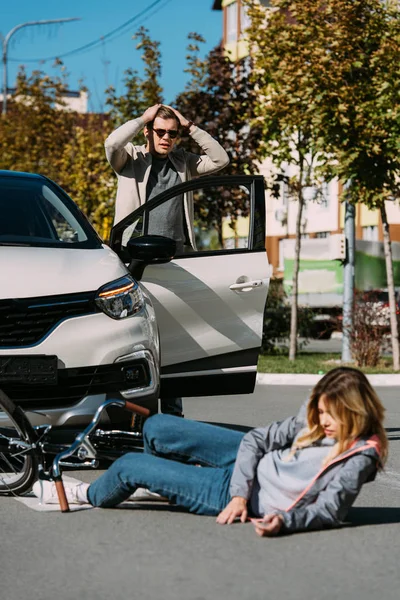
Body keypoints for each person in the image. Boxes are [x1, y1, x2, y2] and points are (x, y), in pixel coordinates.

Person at [33, 367, 388, 536]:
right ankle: (164, 484)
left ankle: (90, 493)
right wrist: (240, 485)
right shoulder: (314, 415)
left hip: (245, 497)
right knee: (157, 426)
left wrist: (282, 520)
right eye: (321, 411)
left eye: (332, 416)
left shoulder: (358, 457)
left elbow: (329, 510)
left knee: (128, 467)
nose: (322, 420)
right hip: (246, 465)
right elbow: (256, 440)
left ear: (355, 413)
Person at [105, 103, 229, 416]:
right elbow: (111, 144)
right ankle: (128, 416)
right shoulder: (131, 159)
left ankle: (173, 416)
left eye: (172, 134)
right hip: (133, 262)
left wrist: (190, 127)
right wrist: (142, 119)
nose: (166, 138)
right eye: (159, 131)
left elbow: (221, 159)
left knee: (172, 342)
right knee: (130, 338)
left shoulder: (184, 162)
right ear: (149, 131)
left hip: (174, 262)